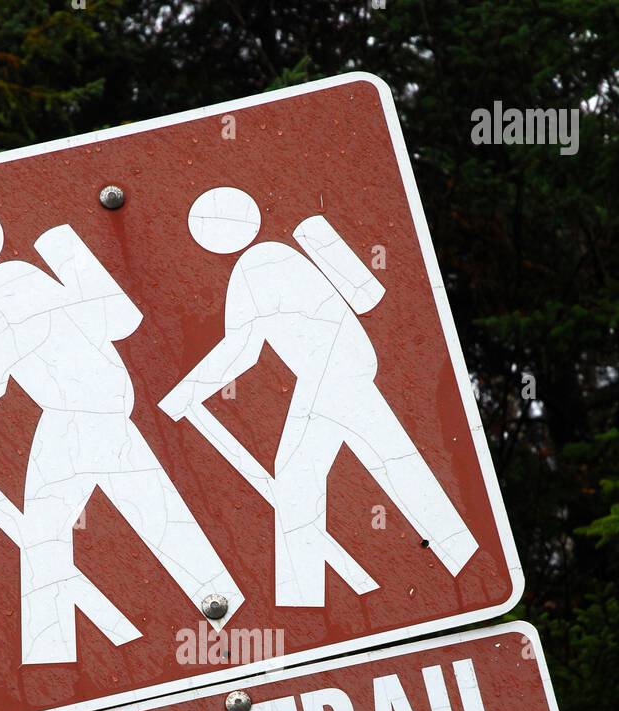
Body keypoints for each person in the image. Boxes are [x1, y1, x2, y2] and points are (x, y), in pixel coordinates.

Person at [0, 204, 243, 665]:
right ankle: (224, 610)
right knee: (151, 516)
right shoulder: (41, 284)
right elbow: (120, 323)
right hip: (106, 416)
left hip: (76, 422)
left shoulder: (3, 291)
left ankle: (51, 658)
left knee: (48, 536)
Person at [159, 187, 478, 608]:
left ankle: (303, 600)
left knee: (298, 474)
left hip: (329, 374)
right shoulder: (280, 256)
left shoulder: (254, 269)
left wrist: (184, 394)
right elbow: (249, 347)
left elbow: (242, 348)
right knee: (384, 458)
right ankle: (459, 553)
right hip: (347, 366)